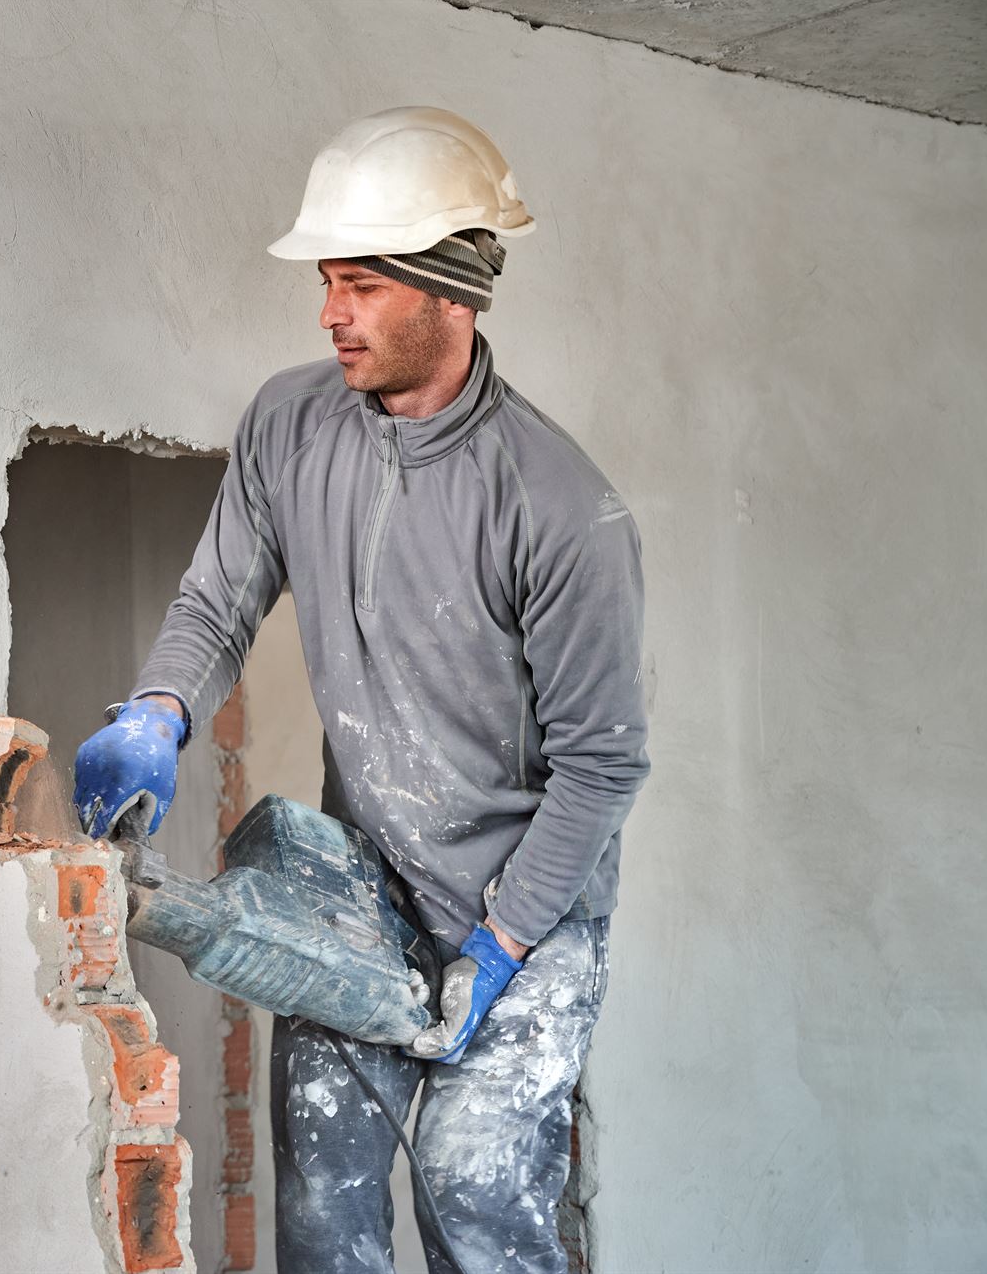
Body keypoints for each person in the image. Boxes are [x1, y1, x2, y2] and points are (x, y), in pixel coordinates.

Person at [71, 107, 650, 1274]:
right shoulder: (290, 423)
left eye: (362, 285)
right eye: (329, 280)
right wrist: (159, 709)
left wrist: (498, 944)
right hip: (361, 893)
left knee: (480, 1207)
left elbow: (603, 763)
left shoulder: (558, 503)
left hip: (523, 923)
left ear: (451, 292)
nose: (330, 311)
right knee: (325, 1206)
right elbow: (216, 603)